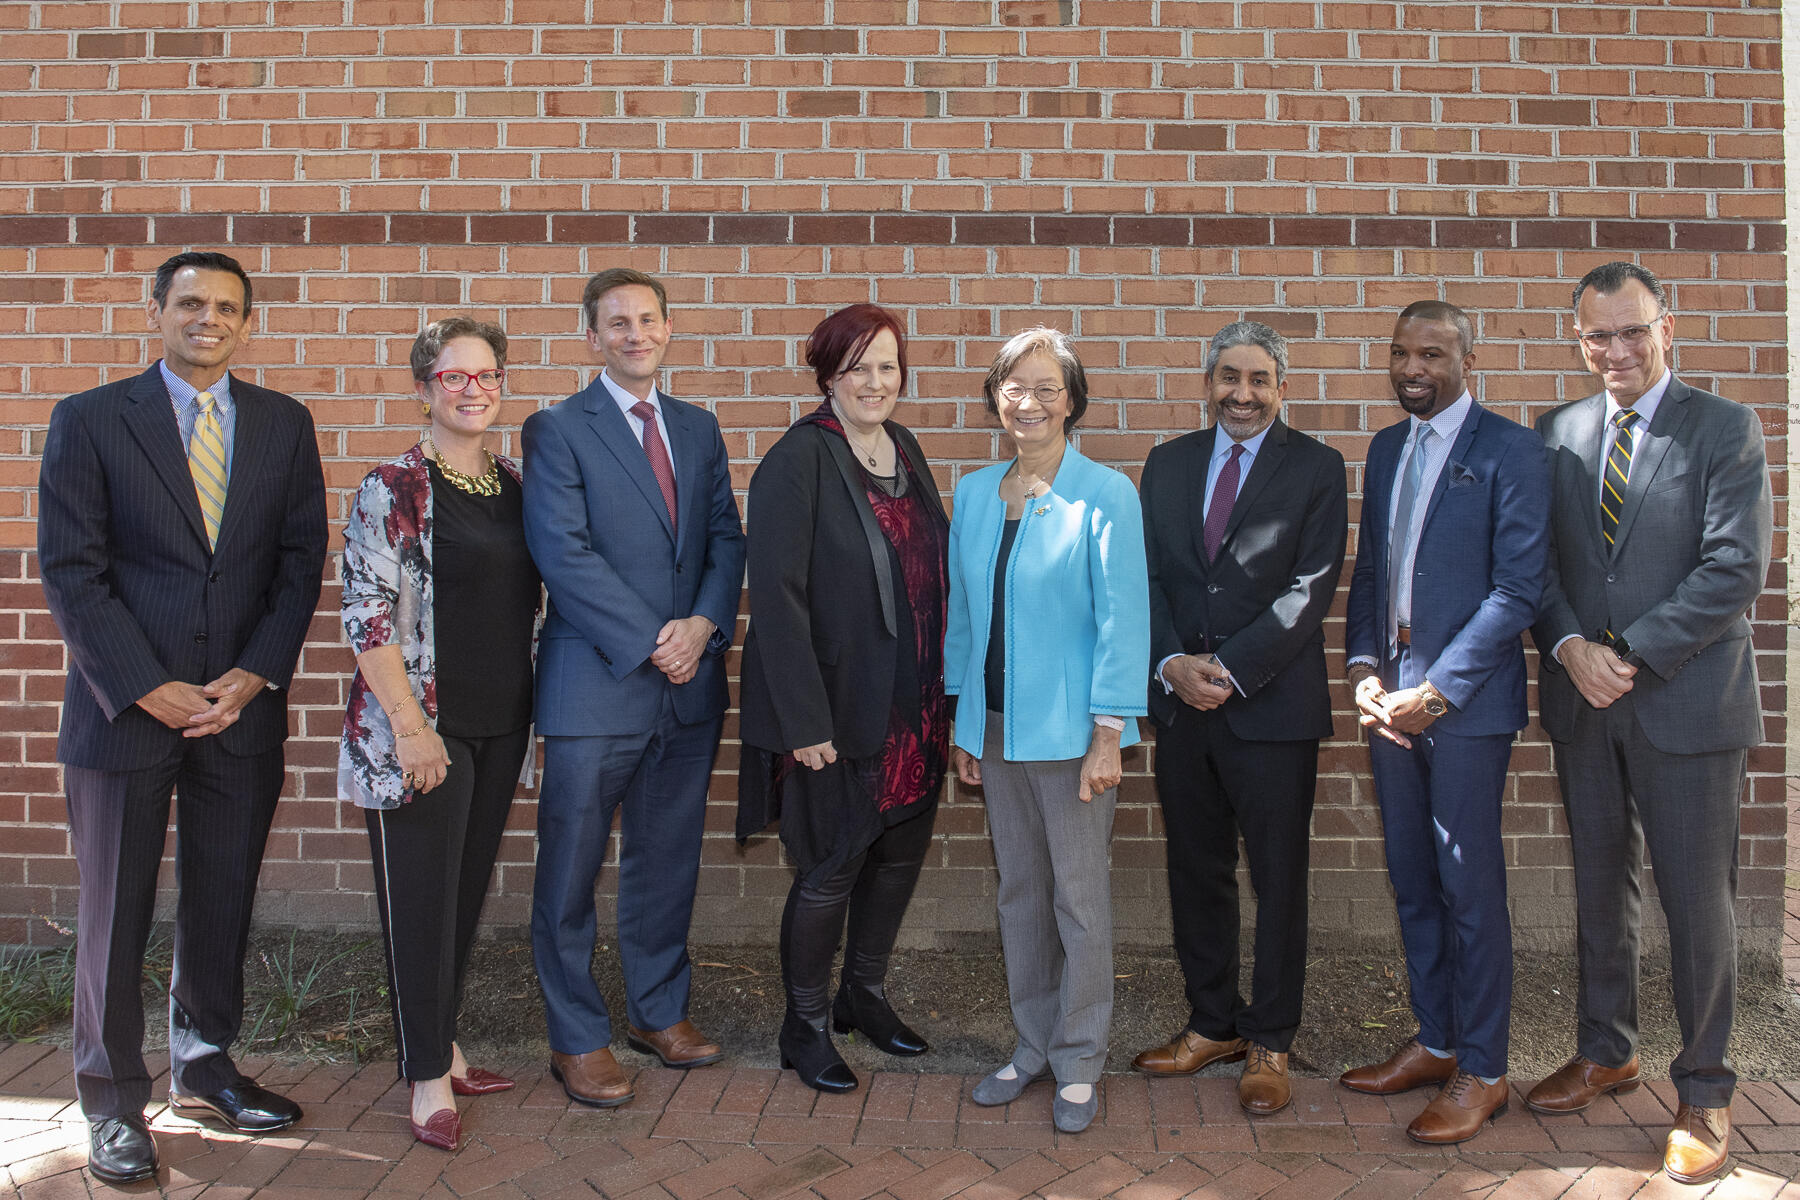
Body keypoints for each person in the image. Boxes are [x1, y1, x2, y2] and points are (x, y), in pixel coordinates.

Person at [37, 251, 327, 1184]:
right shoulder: (90, 419)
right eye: (191, 303)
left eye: (228, 308)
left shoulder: (284, 424)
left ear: (249, 324)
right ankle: (112, 1099)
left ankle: (204, 1067)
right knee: (113, 914)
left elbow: (298, 563)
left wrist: (251, 676)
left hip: (237, 714)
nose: (210, 319)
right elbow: (71, 570)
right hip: (123, 711)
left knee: (220, 900)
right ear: (156, 311)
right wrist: (144, 682)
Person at [1526, 262, 1772, 1184]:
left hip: (1686, 700)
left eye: (1633, 331)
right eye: (1598, 336)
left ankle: (1705, 1089)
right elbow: (1539, 565)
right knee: (1600, 886)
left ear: (1668, 327)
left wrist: (1622, 649)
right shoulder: (1559, 431)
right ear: (1577, 339)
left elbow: (1734, 565)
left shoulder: (1723, 426)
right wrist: (1566, 648)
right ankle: (1606, 1048)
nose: (1617, 350)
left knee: (1696, 902)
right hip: (1584, 703)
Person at [523, 268, 746, 1108]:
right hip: (597, 684)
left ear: (667, 329)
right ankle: (577, 1037)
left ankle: (659, 1011)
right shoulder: (557, 429)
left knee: (665, 859)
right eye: (616, 323)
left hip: (687, 688)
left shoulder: (697, 427)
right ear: (592, 337)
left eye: (647, 320)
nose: (634, 334)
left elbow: (726, 536)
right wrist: (658, 639)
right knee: (571, 869)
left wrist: (703, 626)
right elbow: (561, 551)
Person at [1339, 302, 1548, 1144]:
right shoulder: (1389, 447)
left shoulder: (1513, 450)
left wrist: (1441, 689)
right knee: (1413, 877)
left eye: (1431, 352)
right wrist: (1361, 672)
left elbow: (1517, 593)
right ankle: (1435, 1040)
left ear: (1470, 355)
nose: (1412, 367)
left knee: (1468, 885)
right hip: (1389, 702)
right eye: (1399, 352)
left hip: (1463, 706)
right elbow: (1370, 576)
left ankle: (1485, 1070)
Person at [1130, 321, 1347, 1116]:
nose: (1242, 393)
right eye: (1228, 377)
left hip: (1271, 712)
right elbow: (1144, 578)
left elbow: (1311, 587)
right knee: (1196, 871)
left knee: (1279, 878)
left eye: (1258, 379)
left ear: (1281, 387)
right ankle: (1211, 1022)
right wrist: (1170, 665)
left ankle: (1272, 1040)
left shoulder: (1318, 468)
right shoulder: (1169, 463)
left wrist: (1229, 670)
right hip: (1184, 710)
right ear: (1208, 382)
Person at [736, 304, 951, 1093]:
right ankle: (804, 1024)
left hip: (914, 704)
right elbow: (779, 600)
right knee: (829, 868)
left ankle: (865, 995)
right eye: (857, 365)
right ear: (828, 374)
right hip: (836, 712)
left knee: (895, 860)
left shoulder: (907, 449)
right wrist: (804, 722)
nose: (874, 381)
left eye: (888, 366)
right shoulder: (799, 460)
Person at [338, 318, 539, 1151]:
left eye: (485, 375)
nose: (472, 389)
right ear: (424, 388)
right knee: (419, 906)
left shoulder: (522, 484)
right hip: (423, 730)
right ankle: (425, 1076)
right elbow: (367, 615)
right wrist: (412, 728)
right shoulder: (393, 486)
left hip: (502, 726)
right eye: (453, 377)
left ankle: (444, 1046)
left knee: (459, 899)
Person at [944, 327, 1150, 1134]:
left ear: (1073, 402)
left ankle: (1080, 1058)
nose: (1028, 402)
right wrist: (963, 719)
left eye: (1047, 389)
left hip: (1072, 737)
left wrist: (1110, 732)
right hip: (995, 731)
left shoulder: (1105, 494)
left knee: (1079, 901)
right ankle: (1030, 1045)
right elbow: (965, 616)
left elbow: (1122, 621)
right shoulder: (972, 493)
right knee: (1019, 895)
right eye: (1014, 387)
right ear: (996, 397)